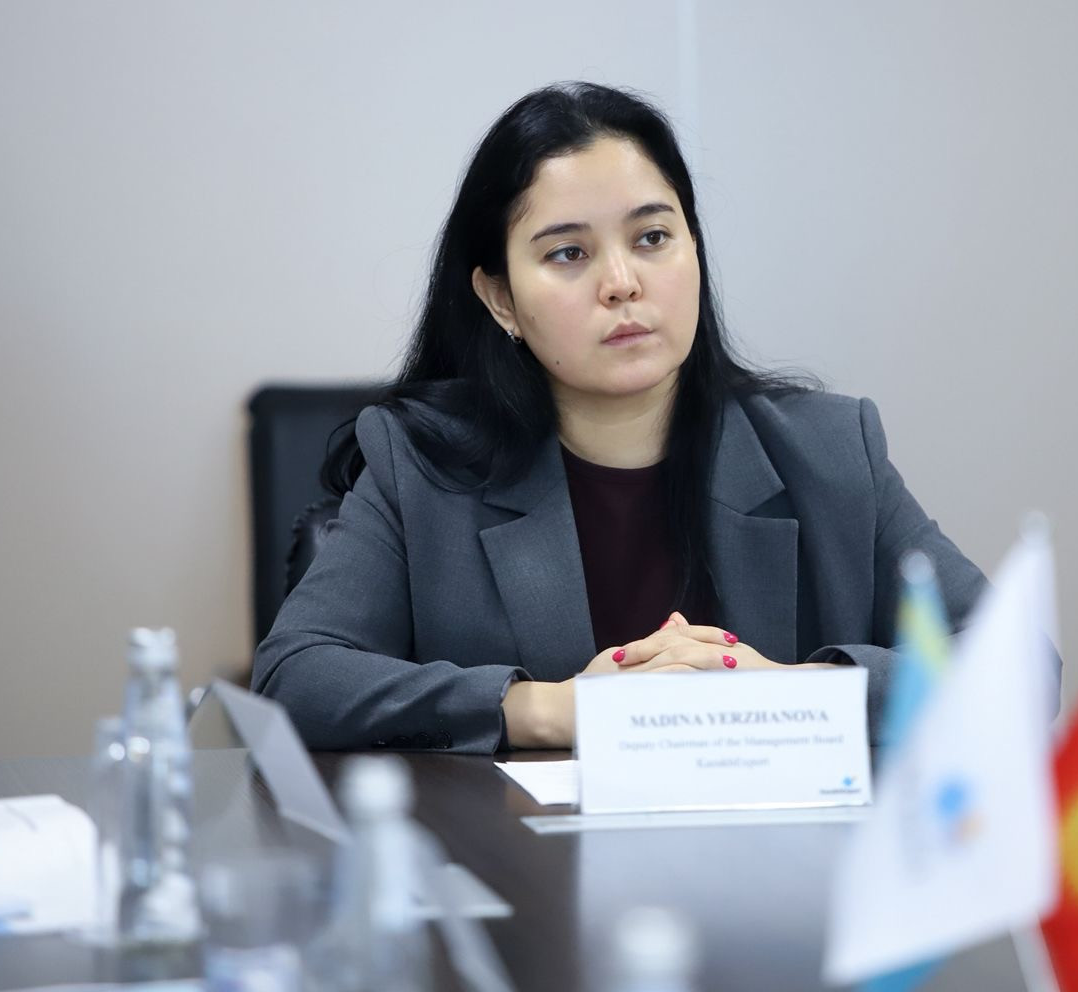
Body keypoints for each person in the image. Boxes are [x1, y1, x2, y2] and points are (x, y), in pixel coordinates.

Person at [253, 82, 988, 753]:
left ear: (694, 248)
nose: (621, 283)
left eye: (652, 238)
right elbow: (298, 677)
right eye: (569, 252)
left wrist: (793, 696)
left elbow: (1004, 661)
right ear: (500, 298)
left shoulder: (830, 449)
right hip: (520, 853)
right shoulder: (422, 465)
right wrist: (556, 709)